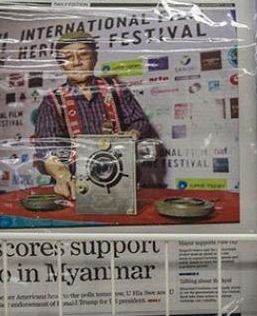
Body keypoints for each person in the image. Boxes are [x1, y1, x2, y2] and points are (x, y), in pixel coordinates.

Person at [33, 30, 161, 198]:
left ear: (94, 58)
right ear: (61, 64)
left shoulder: (115, 89)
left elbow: (139, 121)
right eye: (68, 57)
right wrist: (62, 176)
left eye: (83, 55)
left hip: (121, 179)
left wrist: (132, 134)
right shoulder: (53, 100)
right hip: (76, 185)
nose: (77, 62)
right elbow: (46, 148)